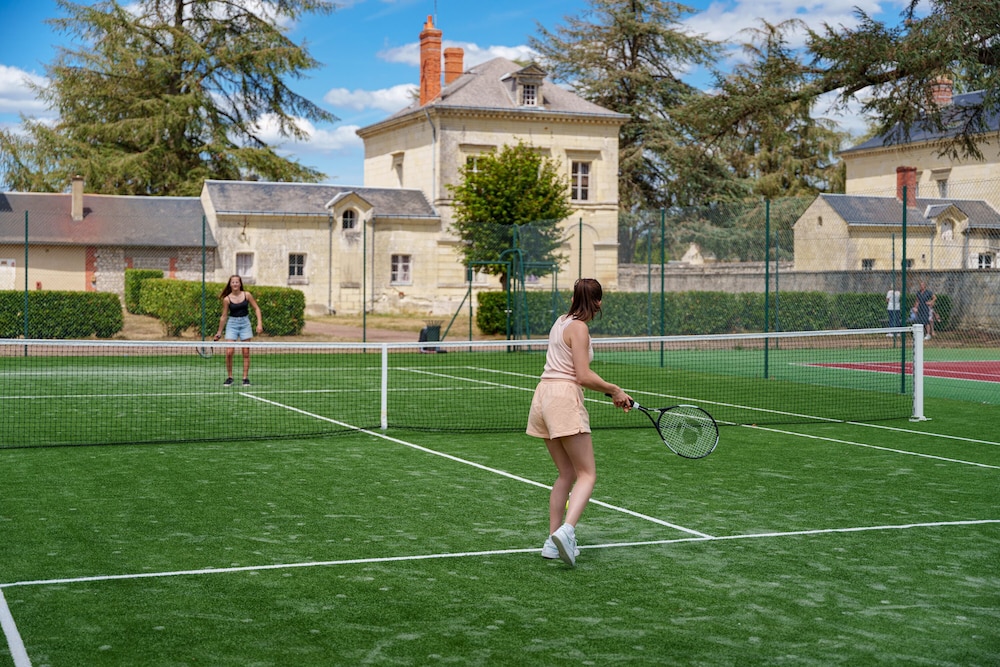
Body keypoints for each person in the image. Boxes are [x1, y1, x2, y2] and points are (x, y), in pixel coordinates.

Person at [526, 278, 632, 567]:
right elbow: (582, 376)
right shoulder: (580, 328)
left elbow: (571, 370)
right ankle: (567, 531)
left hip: (543, 397)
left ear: (573, 298)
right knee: (587, 474)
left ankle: (552, 542)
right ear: (598, 302)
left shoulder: (560, 321)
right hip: (562, 398)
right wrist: (615, 389)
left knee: (566, 473)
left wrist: (612, 392)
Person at [214, 275, 264, 386]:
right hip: (232, 324)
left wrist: (259, 323)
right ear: (230, 284)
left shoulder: (247, 295)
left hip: (245, 324)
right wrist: (219, 332)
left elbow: (257, 308)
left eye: (237, 282)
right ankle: (230, 377)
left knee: (246, 352)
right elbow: (224, 316)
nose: (235, 284)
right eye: (233, 282)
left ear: (240, 284)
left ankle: (245, 378)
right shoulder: (227, 299)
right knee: (229, 352)